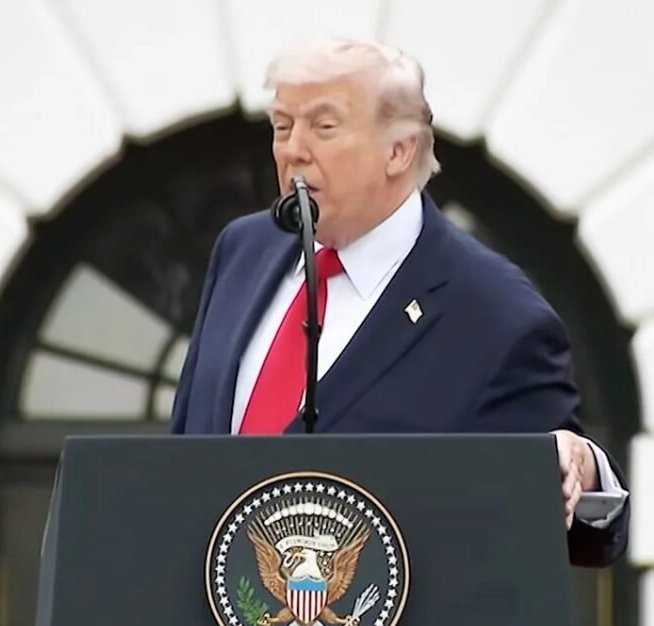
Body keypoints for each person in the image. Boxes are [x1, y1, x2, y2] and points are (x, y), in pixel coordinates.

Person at [169, 37, 629, 567]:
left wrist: (582, 464)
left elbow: (562, 515)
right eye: (281, 126)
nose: (293, 149)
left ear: (399, 150)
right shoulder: (243, 251)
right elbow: (185, 449)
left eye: (323, 126)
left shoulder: (493, 312)